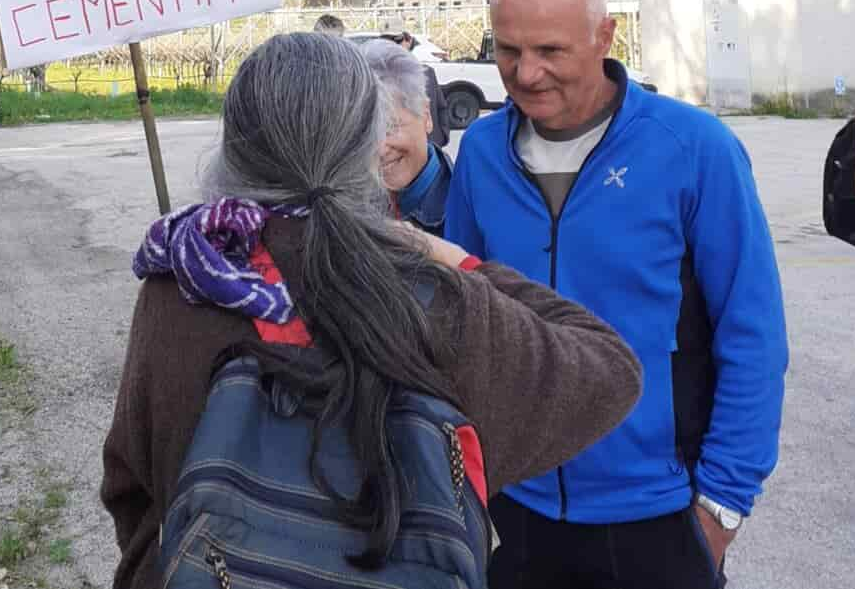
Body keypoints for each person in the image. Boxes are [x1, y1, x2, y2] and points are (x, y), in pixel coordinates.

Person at [102, 32, 643, 588]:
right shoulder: (439, 298)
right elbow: (611, 370)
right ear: (367, 147)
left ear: (234, 148)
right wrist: (456, 260)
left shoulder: (184, 285)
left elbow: (130, 488)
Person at [445, 0, 788, 589]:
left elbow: (754, 332)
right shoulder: (481, 155)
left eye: (550, 50)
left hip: (661, 514)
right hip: (521, 510)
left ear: (604, 37)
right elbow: (466, 322)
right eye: (508, 50)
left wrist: (720, 508)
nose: (526, 73)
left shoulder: (693, 149)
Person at [363, 38, 452, 233]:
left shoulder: (467, 210)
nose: (379, 148)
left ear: (426, 116)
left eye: (390, 127)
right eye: (366, 133)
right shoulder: (348, 208)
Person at [386, 29, 450, 148]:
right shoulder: (376, 79)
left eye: (398, 40)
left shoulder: (427, 72)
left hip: (431, 149)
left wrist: (443, 136)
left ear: (408, 41)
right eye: (388, 40)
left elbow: (441, 107)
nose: (394, 45)